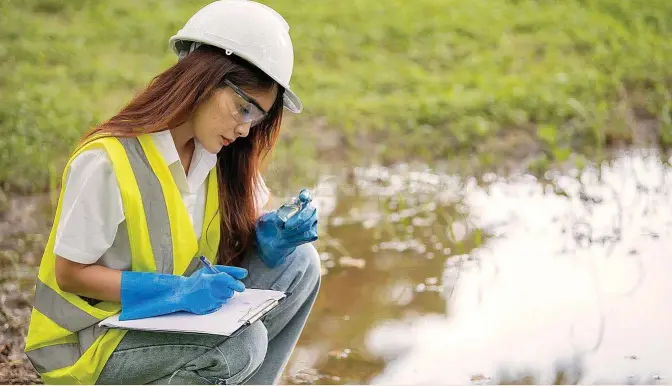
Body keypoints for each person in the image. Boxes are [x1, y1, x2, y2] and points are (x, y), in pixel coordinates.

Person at [23, 1, 321, 384]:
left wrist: (267, 245)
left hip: (165, 324)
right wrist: (176, 291)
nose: (246, 129)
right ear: (203, 81)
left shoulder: (220, 156)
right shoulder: (109, 161)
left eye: (258, 117)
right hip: (94, 344)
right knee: (242, 344)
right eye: (243, 108)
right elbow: (70, 275)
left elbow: (214, 254)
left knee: (300, 264)